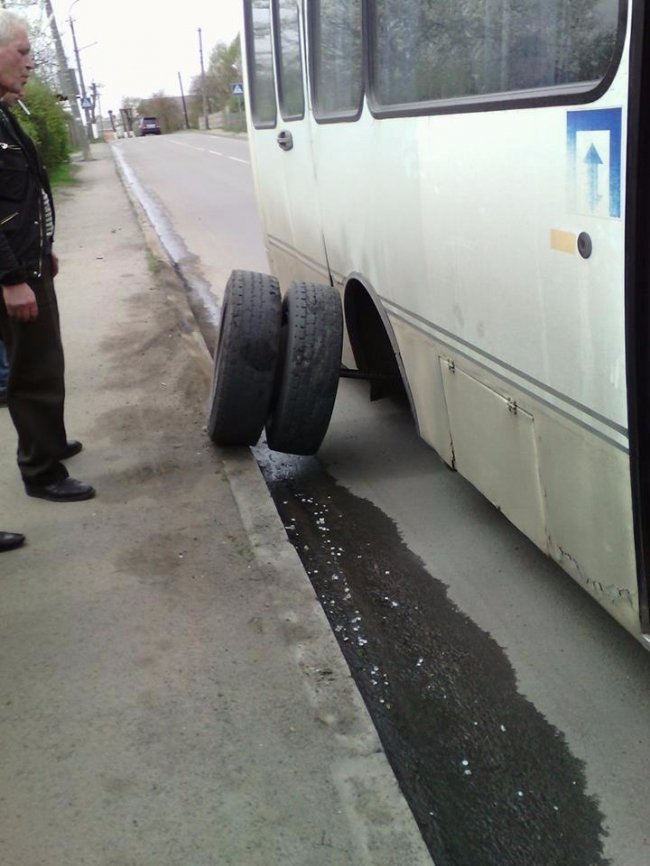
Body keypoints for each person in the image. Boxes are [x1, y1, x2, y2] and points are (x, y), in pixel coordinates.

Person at [0, 10, 95, 502]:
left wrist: (43, 248)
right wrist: (11, 277)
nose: (31, 63)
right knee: (33, 371)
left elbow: (20, 193)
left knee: (45, 362)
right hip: (13, 273)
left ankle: (49, 443)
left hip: (29, 262)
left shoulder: (4, 111)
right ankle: (41, 472)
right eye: (22, 51)